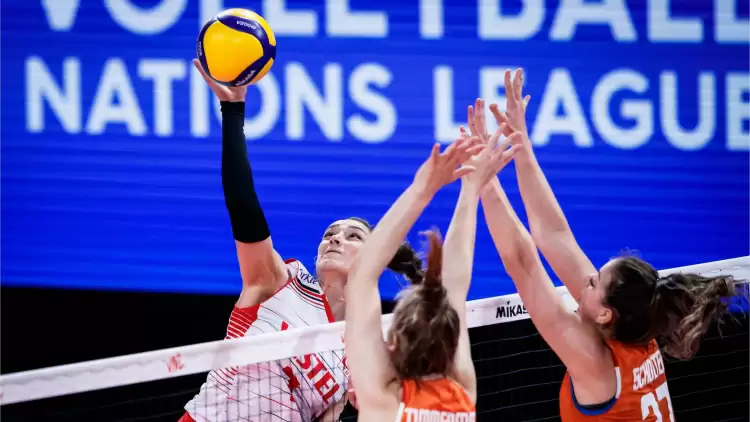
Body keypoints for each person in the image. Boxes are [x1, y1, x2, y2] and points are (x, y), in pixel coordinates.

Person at [475, 70, 741, 421]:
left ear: (605, 313)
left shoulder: (596, 365)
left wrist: (484, 181)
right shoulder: (635, 323)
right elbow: (555, 234)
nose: (586, 278)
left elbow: (524, 264)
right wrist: (520, 142)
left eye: (594, 282)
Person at [180, 60, 424, 422]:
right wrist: (233, 112)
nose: (335, 239)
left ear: (374, 255)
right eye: (330, 234)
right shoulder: (280, 283)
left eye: (352, 236)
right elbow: (244, 207)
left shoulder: (360, 348)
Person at [344, 126, 519, 422]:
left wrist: (424, 188)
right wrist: (469, 190)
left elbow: (362, 275)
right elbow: (454, 286)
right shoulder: (462, 395)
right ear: (451, 347)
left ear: (393, 342)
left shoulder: (385, 402)